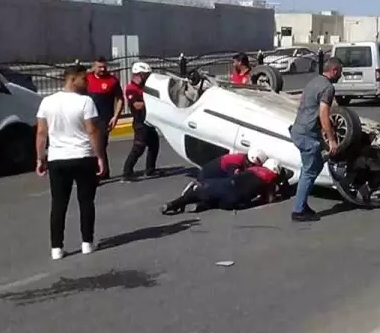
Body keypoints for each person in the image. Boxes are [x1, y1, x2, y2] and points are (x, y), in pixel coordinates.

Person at [35, 64, 106, 260]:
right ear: (72, 79)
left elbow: (41, 133)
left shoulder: (47, 102)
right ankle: (87, 243)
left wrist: (40, 158)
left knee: (58, 204)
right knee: (85, 201)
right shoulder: (86, 102)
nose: (87, 82)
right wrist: (100, 156)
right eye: (84, 79)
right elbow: (92, 130)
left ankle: (56, 248)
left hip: (58, 159)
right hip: (83, 156)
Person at [289, 58, 342, 222]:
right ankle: (298, 211)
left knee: (316, 164)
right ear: (333, 71)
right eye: (340, 72)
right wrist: (332, 139)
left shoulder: (314, 82)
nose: (341, 75)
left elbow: (311, 107)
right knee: (309, 171)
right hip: (307, 135)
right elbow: (323, 113)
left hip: (299, 129)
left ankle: (302, 204)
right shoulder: (328, 87)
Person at [161, 159, 289, 215]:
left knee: (200, 193)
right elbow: (269, 199)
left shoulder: (254, 168)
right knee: (220, 202)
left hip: (223, 185)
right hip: (232, 199)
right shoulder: (270, 178)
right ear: (276, 170)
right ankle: (203, 205)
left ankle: (172, 204)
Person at [85, 57, 123, 181]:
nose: (102, 69)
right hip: (88, 118)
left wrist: (116, 116)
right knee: (91, 146)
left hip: (104, 119)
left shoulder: (112, 81)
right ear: (94, 67)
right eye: (99, 67)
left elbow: (120, 99)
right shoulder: (87, 79)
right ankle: (101, 171)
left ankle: (101, 172)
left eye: (104, 67)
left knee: (100, 145)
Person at [121, 62, 161, 180]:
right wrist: (151, 103)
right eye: (146, 75)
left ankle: (150, 170)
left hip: (148, 121)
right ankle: (127, 173)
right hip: (140, 122)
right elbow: (137, 105)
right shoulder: (131, 88)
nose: (148, 77)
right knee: (138, 148)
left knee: (154, 145)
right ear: (139, 74)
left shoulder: (144, 88)